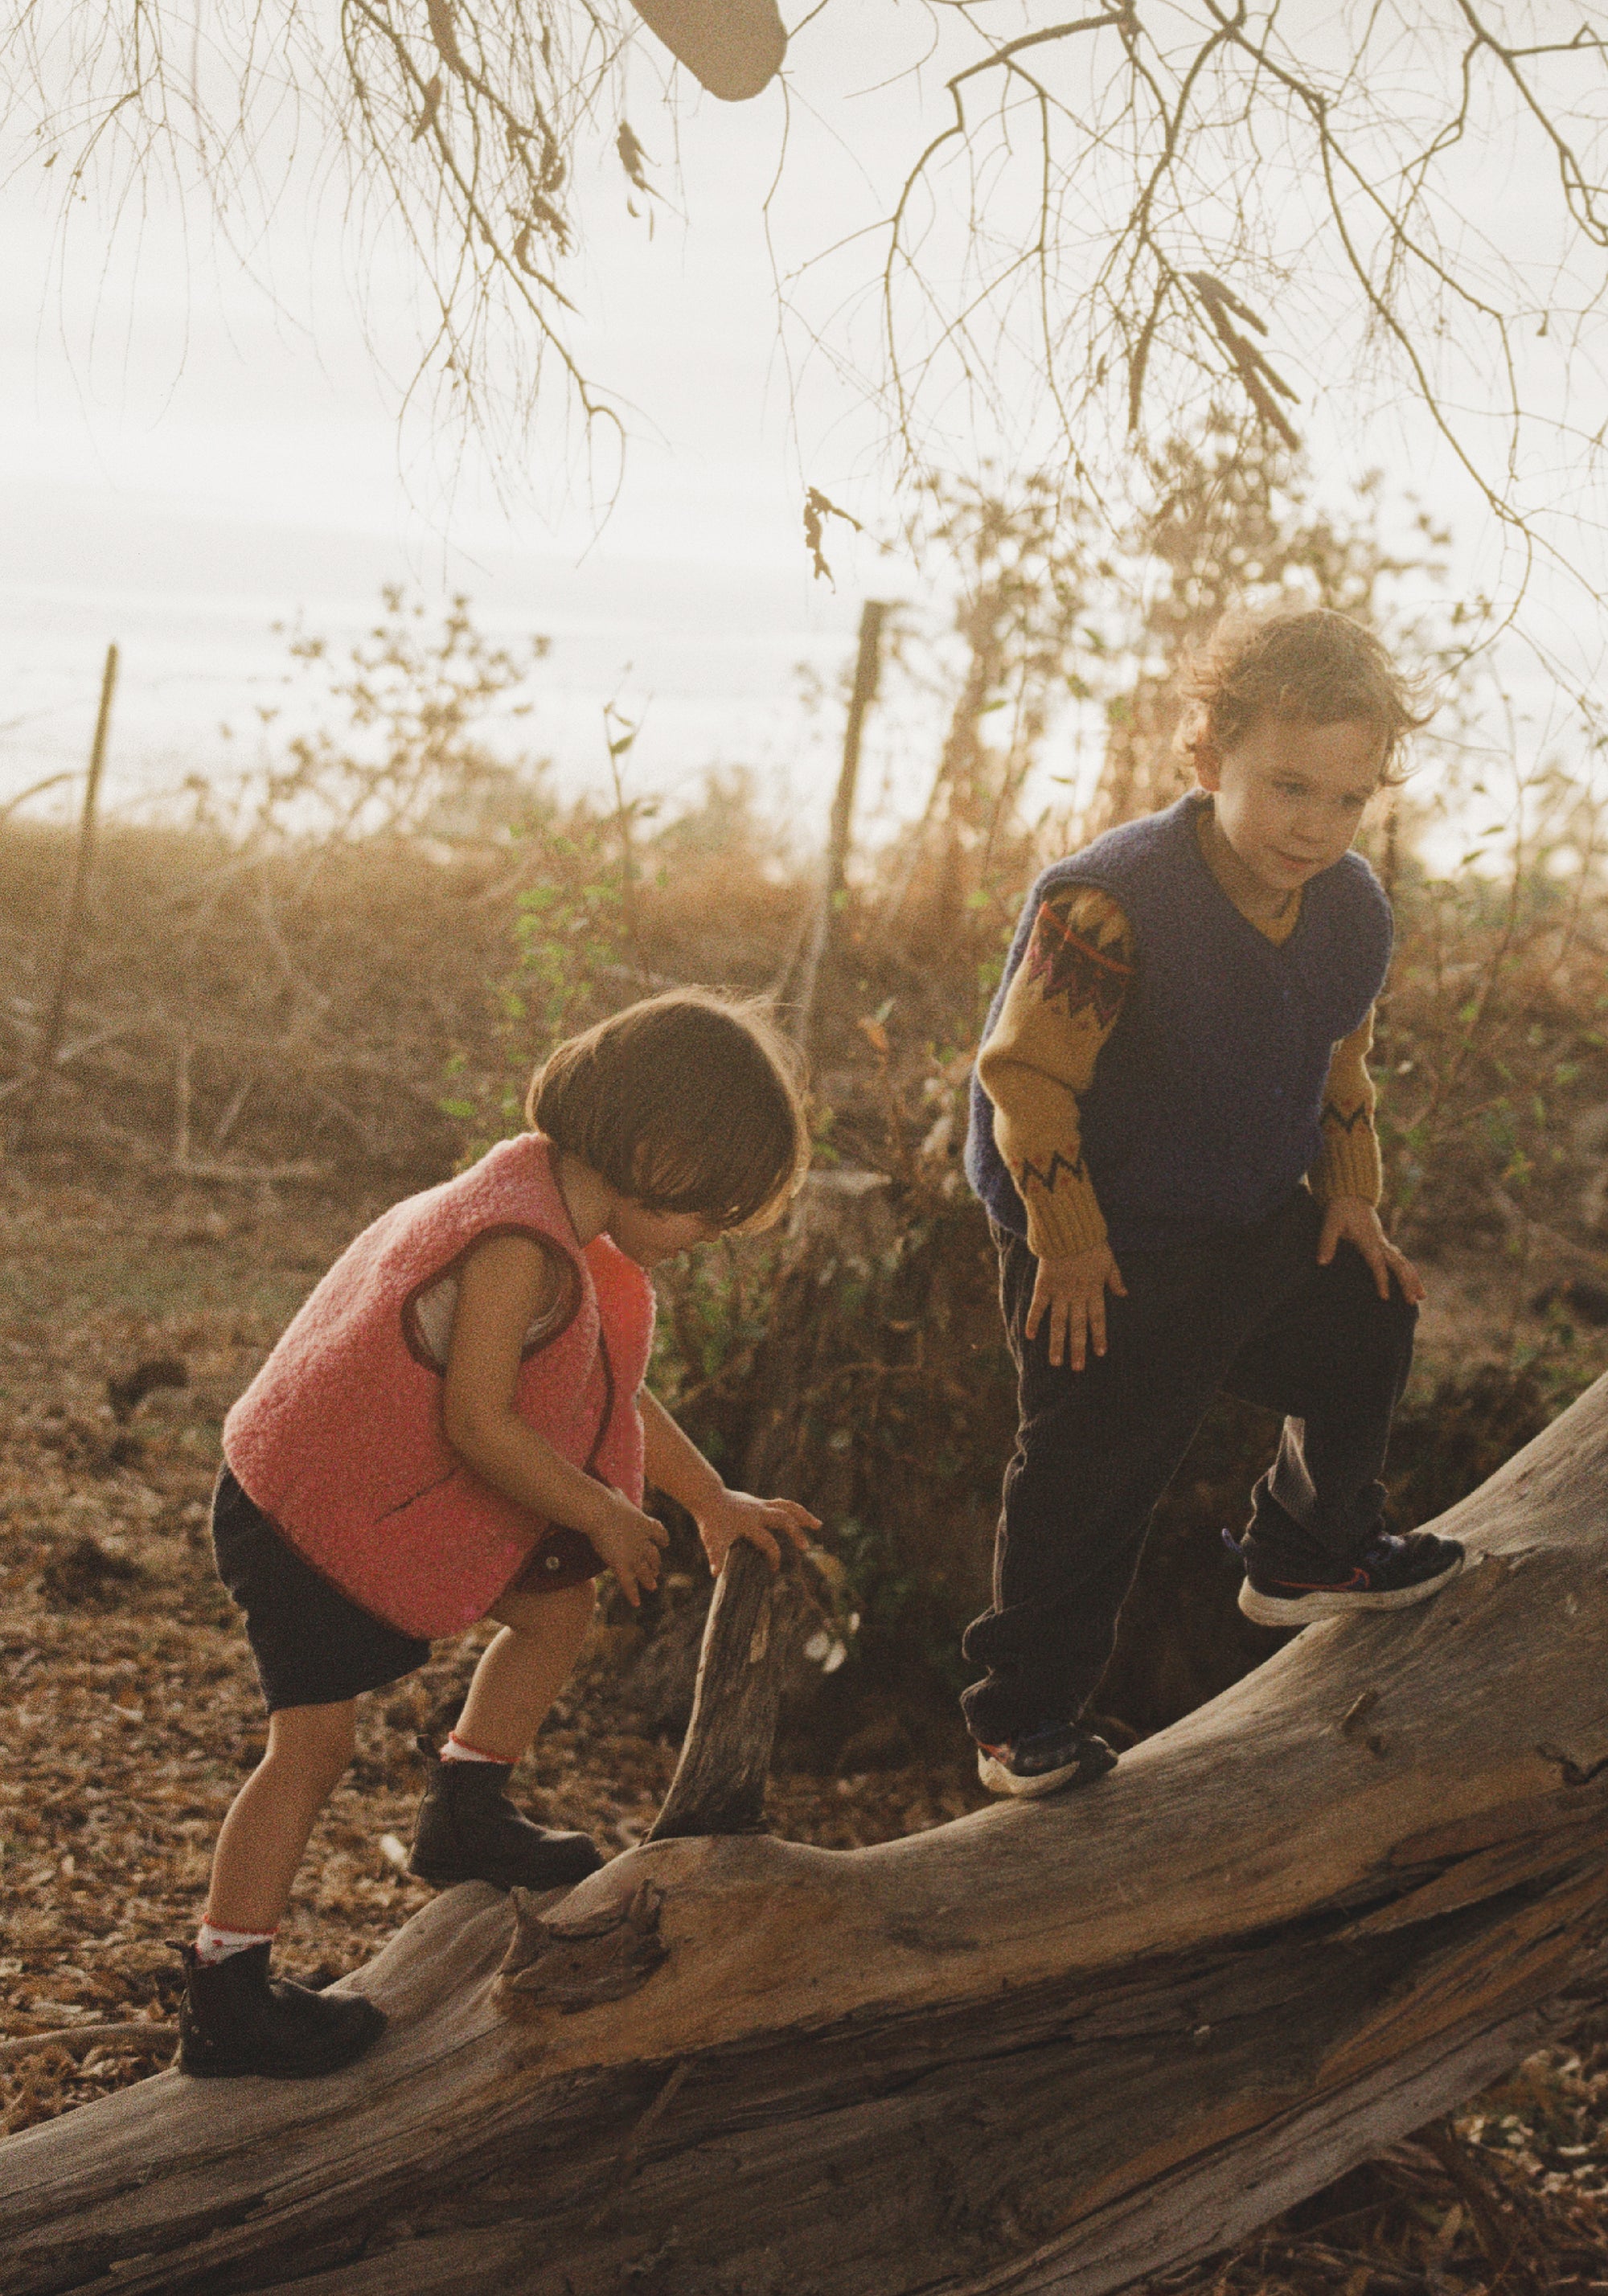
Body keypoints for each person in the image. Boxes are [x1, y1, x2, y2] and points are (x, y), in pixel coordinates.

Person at [178, 990, 818, 2077]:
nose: (707, 1241)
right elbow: (480, 1424)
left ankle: (466, 1809)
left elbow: (615, 1393)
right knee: (313, 1749)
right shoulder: (518, 1240)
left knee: (555, 1605)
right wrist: (604, 1511)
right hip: (306, 1510)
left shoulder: (567, 1219)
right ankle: (226, 1992)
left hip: (366, 1489)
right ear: (658, 1151)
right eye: (709, 1215)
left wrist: (707, 1500)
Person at [962, 607, 1462, 1800]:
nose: (1315, 826)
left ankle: (1309, 1543)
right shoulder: (1112, 905)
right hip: (1099, 1234)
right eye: (1287, 788)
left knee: (1367, 1319)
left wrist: (1351, 1199)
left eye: (1346, 801)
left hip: (1241, 1206)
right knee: (1094, 1470)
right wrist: (1069, 1250)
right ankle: (1020, 1716)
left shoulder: (1350, 909)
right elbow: (1024, 1078)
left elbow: (1342, 1057)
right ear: (1206, 762)